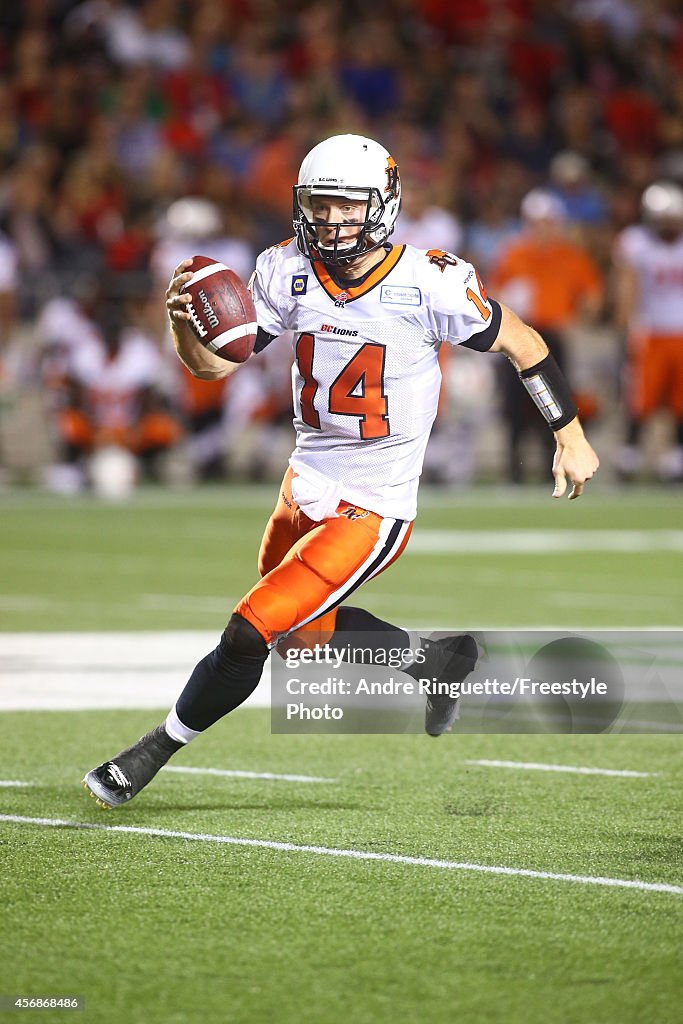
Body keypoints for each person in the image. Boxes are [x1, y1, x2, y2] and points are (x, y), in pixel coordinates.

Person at [83, 134, 599, 809]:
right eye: (318, 207)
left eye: (346, 208)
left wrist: (569, 434)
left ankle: (150, 752)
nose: (330, 222)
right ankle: (438, 663)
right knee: (300, 644)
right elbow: (215, 366)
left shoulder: (430, 280)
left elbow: (525, 343)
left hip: (373, 504)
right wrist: (183, 327)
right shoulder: (283, 269)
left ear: (382, 205)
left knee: (249, 630)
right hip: (303, 482)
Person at [489, 189, 603, 483]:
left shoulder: (570, 255)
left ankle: (548, 467)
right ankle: (513, 468)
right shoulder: (514, 252)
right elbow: (493, 293)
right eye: (537, 221)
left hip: (553, 336)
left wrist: (575, 317)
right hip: (517, 334)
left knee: (553, 403)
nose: (542, 227)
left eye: (547, 221)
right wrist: (512, 303)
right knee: (514, 404)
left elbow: (592, 297)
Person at [613, 181, 683, 482]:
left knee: (680, 400)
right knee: (641, 399)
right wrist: (625, 326)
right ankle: (629, 456)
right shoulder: (636, 242)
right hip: (650, 331)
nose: (668, 225)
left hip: (680, 331)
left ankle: (675, 457)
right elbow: (627, 287)